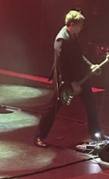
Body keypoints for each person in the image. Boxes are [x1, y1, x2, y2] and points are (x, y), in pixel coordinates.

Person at [35, 11, 103, 148]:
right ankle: (39, 136)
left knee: (90, 104)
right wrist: (72, 83)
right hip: (64, 79)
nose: (81, 28)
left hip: (78, 76)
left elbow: (79, 56)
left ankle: (96, 133)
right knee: (53, 108)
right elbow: (62, 65)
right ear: (72, 24)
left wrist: (91, 66)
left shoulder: (74, 36)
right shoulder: (62, 39)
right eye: (80, 25)